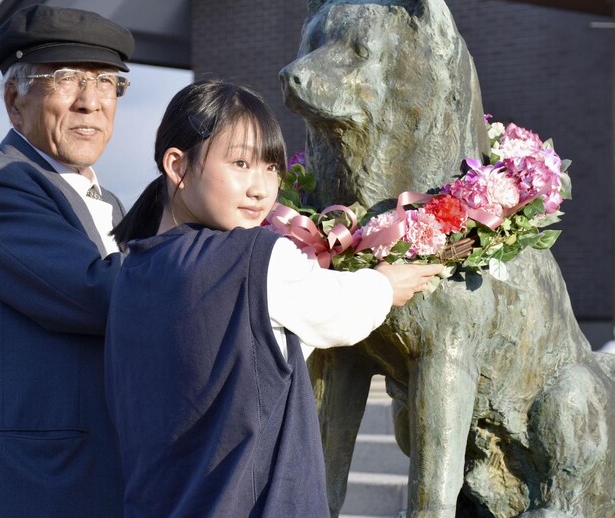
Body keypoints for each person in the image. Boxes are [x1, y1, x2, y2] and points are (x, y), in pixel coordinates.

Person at [104, 81, 443, 517]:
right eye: (241, 163)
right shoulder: (254, 260)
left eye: (270, 168)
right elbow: (337, 312)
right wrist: (385, 282)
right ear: (177, 164)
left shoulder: (130, 271)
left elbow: (260, 347)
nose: (262, 189)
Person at [0, 4, 133, 517]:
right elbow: (95, 294)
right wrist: (233, 253)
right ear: (14, 100)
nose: (91, 102)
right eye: (66, 79)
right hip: (22, 485)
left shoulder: (114, 206)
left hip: (104, 477)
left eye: (107, 83)